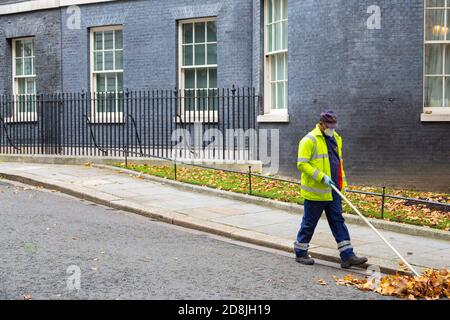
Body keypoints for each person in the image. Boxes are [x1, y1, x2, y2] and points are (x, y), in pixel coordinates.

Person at [294, 110, 368, 268]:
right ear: (321, 124)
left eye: (334, 126)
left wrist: (342, 185)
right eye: (329, 126)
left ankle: (347, 255)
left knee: (338, 221)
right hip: (316, 191)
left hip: (334, 189)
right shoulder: (309, 140)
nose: (332, 129)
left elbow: (337, 163)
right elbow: (302, 164)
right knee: (309, 223)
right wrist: (322, 177)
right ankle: (300, 252)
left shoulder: (336, 138)